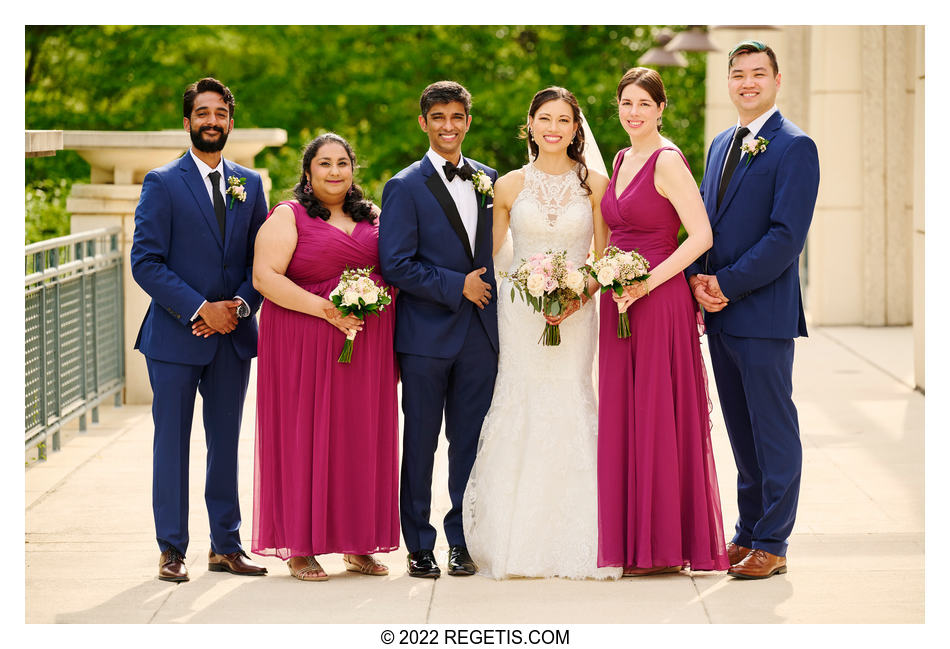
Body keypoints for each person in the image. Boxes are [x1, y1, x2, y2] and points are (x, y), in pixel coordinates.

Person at [462, 86, 620, 580]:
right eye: (544, 118)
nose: (554, 128)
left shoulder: (596, 183)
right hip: (520, 312)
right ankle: (513, 536)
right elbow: (484, 257)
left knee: (572, 398)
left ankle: (583, 535)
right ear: (529, 124)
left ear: (577, 129)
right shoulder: (507, 186)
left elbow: (604, 256)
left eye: (564, 120)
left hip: (576, 312)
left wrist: (577, 294)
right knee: (521, 401)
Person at [686, 41, 819, 579]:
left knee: (773, 428)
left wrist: (726, 283)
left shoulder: (795, 146)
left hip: (762, 314)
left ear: (777, 80)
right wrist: (696, 280)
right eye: (738, 74)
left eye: (758, 74)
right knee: (741, 430)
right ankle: (746, 532)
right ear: (729, 82)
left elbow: (787, 237)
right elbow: (703, 219)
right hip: (720, 312)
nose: (747, 83)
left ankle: (774, 541)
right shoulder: (721, 143)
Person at [131, 77, 268, 582]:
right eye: (202, 113)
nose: (212, 121)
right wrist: (198, 308)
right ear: (188, 121)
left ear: (231, 121)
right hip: (173, 339)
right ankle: (171, 549)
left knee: (226, 443)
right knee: (172, 444)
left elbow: (262, 259)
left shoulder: (251, 184)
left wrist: (236, 305)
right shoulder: (162, 182)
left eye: (221, 113)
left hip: (232, 338)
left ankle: (226, 546)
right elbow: (144, 261)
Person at [597, 67, 730, 577]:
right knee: (625, 413)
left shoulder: (667, 160)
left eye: (643, 105)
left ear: (660, 109)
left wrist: (645, 284)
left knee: (656, 413)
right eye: (626, 104)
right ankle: (634, 541)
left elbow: (699, 237)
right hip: (619, 301)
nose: (633, 113)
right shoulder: (621, 157)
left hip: (657, 299)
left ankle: (664, 545)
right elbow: (613, 233)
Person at [249, 134, 399, 581]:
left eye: (342, 163)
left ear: (353, 169)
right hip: (304, 343)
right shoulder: (287, 215)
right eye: (324, 164)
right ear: (308, 172)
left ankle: (358, 543)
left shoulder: (373, 215)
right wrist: (326, 310)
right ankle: (301, 545)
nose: (335, 172)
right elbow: (264, 277)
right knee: (304, 436)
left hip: (365, 348)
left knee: (360, 438)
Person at [379, 81, 499, 579]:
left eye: (457, 117)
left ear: (468, 122)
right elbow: (395, 264)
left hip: (480, 336)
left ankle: (461, 539)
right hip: (425, 337)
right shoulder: (403, 186)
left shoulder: (491, 179)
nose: (448, 125)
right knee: (422, 442)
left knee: (470, 442)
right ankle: (419, 544)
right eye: (438, 117)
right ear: (424, 122)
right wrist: (457, 286)